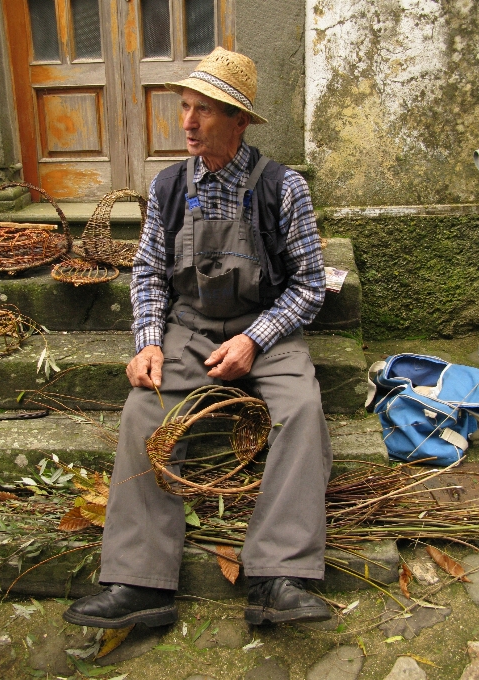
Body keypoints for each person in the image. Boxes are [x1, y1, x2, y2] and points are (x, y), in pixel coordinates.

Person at [64, 47, 333, 629]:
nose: (187, 123)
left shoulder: (282, 188)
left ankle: (276, 578)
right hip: (188, 330)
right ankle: (140, 585)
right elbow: (150, 277)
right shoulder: (166, 188)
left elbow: (310, 287)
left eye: (204, 111)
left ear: (239, 121)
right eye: (185, 107)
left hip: (269, 329)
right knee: (143, 414)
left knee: (303, 411)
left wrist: (255, 341)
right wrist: (147, 342)